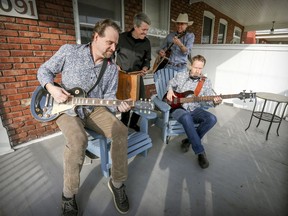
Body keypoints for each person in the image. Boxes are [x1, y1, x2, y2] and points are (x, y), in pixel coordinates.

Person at [37, 19, 130, 215]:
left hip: (93, 109)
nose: (113, 48)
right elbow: (44, 70)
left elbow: (108, 98)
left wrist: (118, 105)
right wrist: (52, 88)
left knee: (120, 130)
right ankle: (68, 195)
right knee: (79, 140)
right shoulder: (69, 51)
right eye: (109, 43)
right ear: (96, 37)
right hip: (66, 108)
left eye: (116, 44)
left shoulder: (112, 68)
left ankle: (117, 183)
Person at [166, 55, 222, 169]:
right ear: (190, 65)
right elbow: (170, 83)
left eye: (200, 68)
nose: (197, 70)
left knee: (212, 119)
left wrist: (215, 102)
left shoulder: (205, 82)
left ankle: (189, 140)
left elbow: (206, 102)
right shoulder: (181, 75)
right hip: (178, 108)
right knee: (186, 117)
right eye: (195, 67)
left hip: (195, 109)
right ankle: (200, 152)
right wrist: (170, 90)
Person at [116, 12, 152, 131]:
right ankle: (124, 124)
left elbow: (147, 59)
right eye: (143, 29)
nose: (146, 32)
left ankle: (133, 123)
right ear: (135, 27)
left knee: (140, 101)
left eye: (147, 30)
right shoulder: (121, 38)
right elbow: (110, 53)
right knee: (125, 101)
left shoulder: (147, 42)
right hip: (122, 76)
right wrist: (114, 65)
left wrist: (145, 68)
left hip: (137, 76)